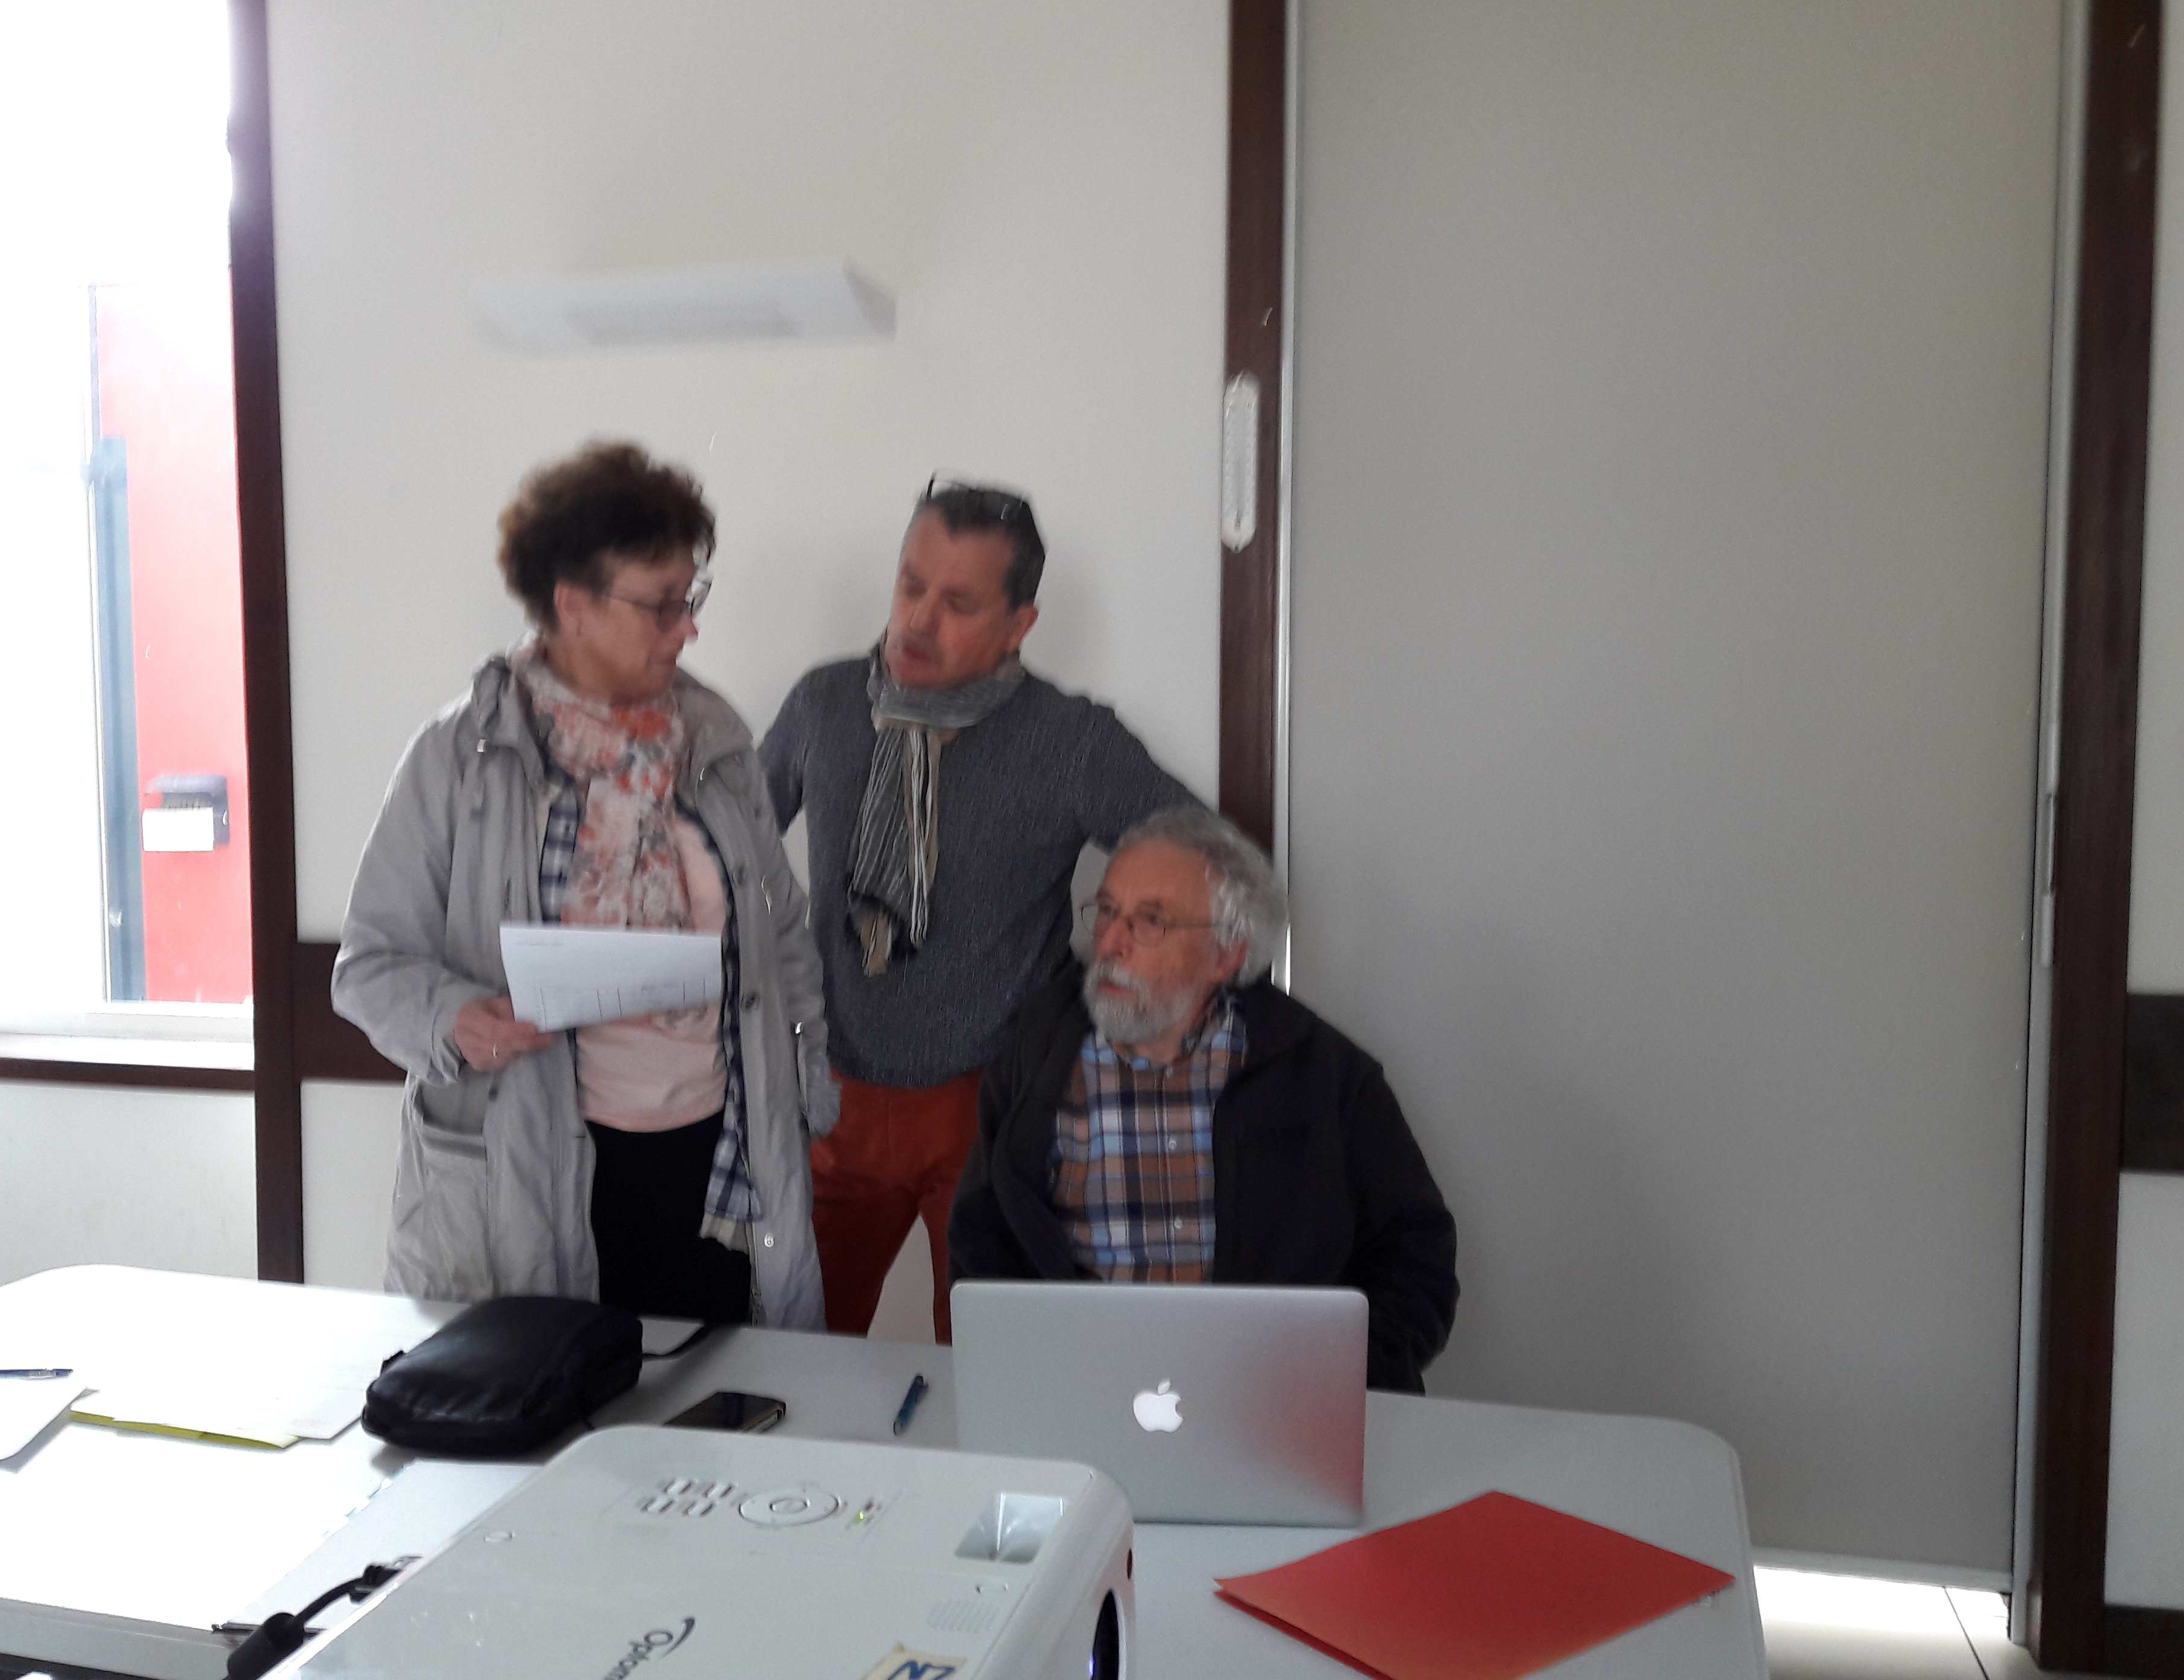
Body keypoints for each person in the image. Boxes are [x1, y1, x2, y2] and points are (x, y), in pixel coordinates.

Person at [334, 441, 836, 1325]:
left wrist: (808, 1092)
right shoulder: (461, 757)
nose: (687, 629)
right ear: (573, 604)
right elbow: (369, 967)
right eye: (661, 605)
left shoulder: (715, 737)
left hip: (718, 1163)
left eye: (691, 598)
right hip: (531, 1167)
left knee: (717, 1392)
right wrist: (457, 1019)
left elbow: (783, 934)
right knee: (557, 1393)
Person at [760, 478, 1196, 1339]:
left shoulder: (1071, 743)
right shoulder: (824, 703)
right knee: (794, 1347)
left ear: (1019, 624)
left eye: (958, 603)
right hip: (832, 1095)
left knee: (990, 1359)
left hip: (993, 1106)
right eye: (911, 585)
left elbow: (1210, 867)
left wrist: (1121, 969)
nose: (919, 621)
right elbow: (720, 852)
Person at [948, 808, 1458, 1391]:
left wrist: (1342, 1379)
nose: (1110, 942)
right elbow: (980, 1241)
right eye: (1108, 911)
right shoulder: (1036, 1059)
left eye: (1151, 922)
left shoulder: (1325, 1076)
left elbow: (1416, 1254)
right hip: (1081, 1391)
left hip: (1276, 1403)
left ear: (1226, 955)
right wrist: (1021, 1371)